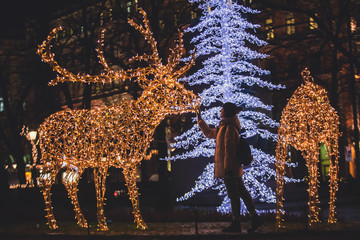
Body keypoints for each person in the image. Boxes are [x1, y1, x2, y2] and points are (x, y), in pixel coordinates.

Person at [196, 102, 263, 233]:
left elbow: (229, 150)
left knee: (234, 195)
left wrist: (227, 169)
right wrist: (200, 119)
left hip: (230, 168)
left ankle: (236, 222)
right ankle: (255, 218)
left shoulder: (230, 128)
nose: (220, 110)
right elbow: (210, 133)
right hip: (232, 167)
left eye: (222, 109)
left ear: (226, 112)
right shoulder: (224, 127)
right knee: (242, 192)